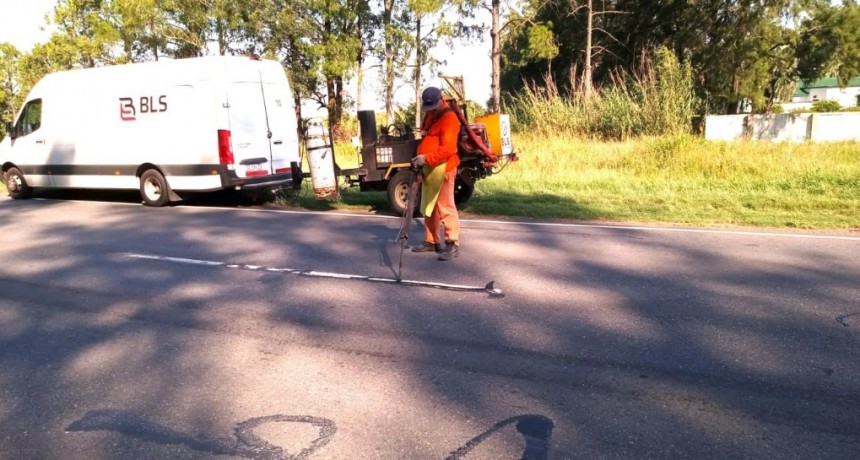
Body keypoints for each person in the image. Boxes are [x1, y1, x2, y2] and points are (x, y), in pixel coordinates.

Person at [411, 86, 462, 261]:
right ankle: (432, 241)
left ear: (441, 100)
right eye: (428, 108)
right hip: (429, 169)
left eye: (432, 107)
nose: (430, 111)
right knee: (429, 206)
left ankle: (452, 243)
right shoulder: (432, 115)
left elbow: (449, 148)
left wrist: (425, 159)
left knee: (445, 206)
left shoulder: (450, 119)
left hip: (444, 168)